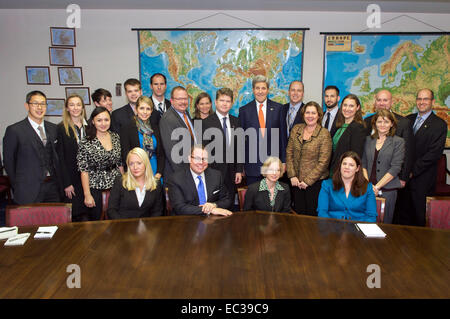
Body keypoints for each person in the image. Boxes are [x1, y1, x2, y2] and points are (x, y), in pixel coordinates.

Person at [3, 91, 62, 204]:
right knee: (30, 221)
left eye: (43, 104)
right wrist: (19, 186)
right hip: (28, 189)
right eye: (35, 103)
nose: (39, 107)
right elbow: (9, 162)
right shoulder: (15, 130)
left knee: (54, 220)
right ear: (27, 106)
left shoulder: (54, 128)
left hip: (53, 187)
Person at [402, 89, 447, 226]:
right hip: (403, 179)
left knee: (419, 218)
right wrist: (404, 171)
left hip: (423, 179)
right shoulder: (408, 119)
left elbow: (434, 154)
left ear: (432, 102)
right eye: (419, 99)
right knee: (402, 216)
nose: (422, 102)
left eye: (425, 99)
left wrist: (412, 171)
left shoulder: (439, 124)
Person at [238, 75, 287, 185]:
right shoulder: (244, 111)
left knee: (271, 200)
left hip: (273, 166)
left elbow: (283, 138)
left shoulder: (279, 109)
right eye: (257, 88)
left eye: (263, 88)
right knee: (253, 200)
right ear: (253, 90)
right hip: (252, 167)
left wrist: (283, 161)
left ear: (268, 90)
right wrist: (240, 166)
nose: (260, 91)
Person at [286, 101, 332, 216]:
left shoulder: (324, 134)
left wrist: (308, 181)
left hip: (315, 184)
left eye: (313, 113)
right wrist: (292, 175)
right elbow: (289, 152)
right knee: (298, 215)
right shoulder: (296, 129)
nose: (310, 116)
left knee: (312, 216)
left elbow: (324, 162)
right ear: (303, 114)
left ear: (319, 115)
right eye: (307, 113)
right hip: (296, 182)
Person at [77, 107, 123, 220]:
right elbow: (84, 171)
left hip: (116, 186)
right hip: (95, 187)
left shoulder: (115, 137)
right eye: (99, 120)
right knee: (97, 223)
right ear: (93, 121)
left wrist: (124, 182)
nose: (103, 123)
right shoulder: (86, 142)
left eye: (106, 120)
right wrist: (87, 195)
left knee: (117, 221)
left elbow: (120, 163)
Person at [202, 88, 243, 208]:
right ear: (215, 102)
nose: (225, 104)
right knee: (214, 205)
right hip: (213, 172)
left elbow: (239, 148)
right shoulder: (206, 123)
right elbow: (204, 151)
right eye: (222, 100)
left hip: (231, 173)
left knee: (229, 204)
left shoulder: (236, 121)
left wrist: (239, 170)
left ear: (232, 103)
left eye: (228, 101)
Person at [362, 109, 405, 224]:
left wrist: (377, 187)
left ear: (392, 124)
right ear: (375, 123)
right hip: (367, 188)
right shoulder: (368, 140)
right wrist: (369, 186)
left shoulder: (398, 142)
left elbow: (395, 167)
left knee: (384, 223)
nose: (382, 125)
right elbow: (363, 164)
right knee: (365, 222)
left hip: (388, 190)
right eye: (379, 121)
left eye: (386, 122)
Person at [364, 89, 413, 186]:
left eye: (385, 100)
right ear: (375, 102)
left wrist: (403, 178)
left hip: (392, 179)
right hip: (369, 178)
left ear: (392, 102)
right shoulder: (367, 121)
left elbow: (408, 154)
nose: (381, 103)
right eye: (379, 100)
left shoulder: (404, 123)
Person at [167, 145, 233, 216]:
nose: (201, 162)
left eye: (204, 159)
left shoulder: (216, 175)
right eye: (197, 158)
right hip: (186, 222)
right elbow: (179, 208)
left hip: (213, 222)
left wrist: (214, 205)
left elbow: (226, 200)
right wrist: (210, 210)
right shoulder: (176, 179)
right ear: (189, 159)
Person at [318, 151, 377, 222]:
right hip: (332, 228)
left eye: (351, 165)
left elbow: (371, 216)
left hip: (358, 230)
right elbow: (322, 212)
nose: (347, 167)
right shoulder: (327, 185)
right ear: (340, 165)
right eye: (344, 164)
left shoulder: (368, 187)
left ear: (357, 168)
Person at [57, 94, 89, 221]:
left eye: (78, 105)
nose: (75, 108)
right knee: (75, 215)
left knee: (89, 214)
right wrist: (67, 183)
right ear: (67, 108)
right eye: (72, 105)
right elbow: (60, 158)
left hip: (88, 178)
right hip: (72, 180)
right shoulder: (60, 128)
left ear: (82, 108)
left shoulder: (89, 127)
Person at [108, 147, 163, 219]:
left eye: (139, 163)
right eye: (131, 164)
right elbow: (112, 210)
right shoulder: (120, 182)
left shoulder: (156, 184)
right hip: (123, 226)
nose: (135, 167)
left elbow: (157, 212)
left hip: (147, 227)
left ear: (146, 164)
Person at [159, 86, 198, 181]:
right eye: (179, 99)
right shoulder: (167, 119)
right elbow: (172, 152)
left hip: (190, 169)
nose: (183, 102)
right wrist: (183, 176)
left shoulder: (185, 113)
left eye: (185, 98)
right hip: (179, 174)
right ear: (171, 101)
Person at [120, 96, 164, 179]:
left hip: (155, 171)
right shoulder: (127, 128)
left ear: (151, 111)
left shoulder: (156, 128)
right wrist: (134, 172)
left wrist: (159, 172)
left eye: (148, 109)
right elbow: (125, 153)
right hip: (136, 171)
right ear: (136, 109)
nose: (145, 112)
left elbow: (161, 153)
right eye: (142, 108)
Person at [329, 94, 366, 176]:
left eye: (351, 106)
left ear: (358, 108)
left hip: (346, 174)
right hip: (334, 170)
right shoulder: (340, 126)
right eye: (345, 105)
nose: (347, 109)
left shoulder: (358, 128)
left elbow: (355, 156)